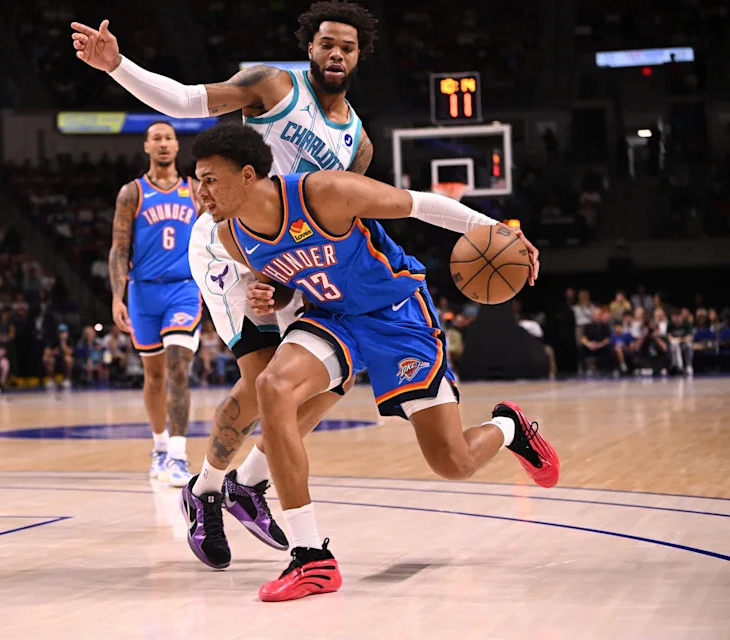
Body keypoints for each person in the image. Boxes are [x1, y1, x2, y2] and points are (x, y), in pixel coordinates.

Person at [190, 123, 558, 601]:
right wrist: (272, 292)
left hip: (396, 314)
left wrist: (495, 230)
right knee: (273, 386)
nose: (200, 191)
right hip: (333, 316)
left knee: (453, 462)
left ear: (246, 175)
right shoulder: (231, 236)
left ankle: (510, 427)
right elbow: (285, 278)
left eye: (209, 179)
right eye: (197, 180)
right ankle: (311, 558)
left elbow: (420, 204)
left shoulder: (323, 192)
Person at [72, 0, 378, 569]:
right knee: (265, 378)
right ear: (309, 47)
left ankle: (248, 483)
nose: (336, 53)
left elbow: (336, 221)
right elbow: (188, 101)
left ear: (359, 56)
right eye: (326, 43)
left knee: (335, 375)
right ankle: (206, 489)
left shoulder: (358, 143)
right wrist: (118, 66)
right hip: (227, 247)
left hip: (287, 262)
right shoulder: (274, 87)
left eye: (348, 46)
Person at [108, 121, 202, 486]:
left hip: (183, 288)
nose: (163, 144)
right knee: (154, 375)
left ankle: (178, 454)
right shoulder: (132, 193)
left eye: (169, 138)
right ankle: (160, 446)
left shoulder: (194, 190)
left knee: (179, 366)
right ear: (146, 147)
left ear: (177, 147)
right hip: (143, 291)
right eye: (157, 139)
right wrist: (117, 296)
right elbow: (119, 248)